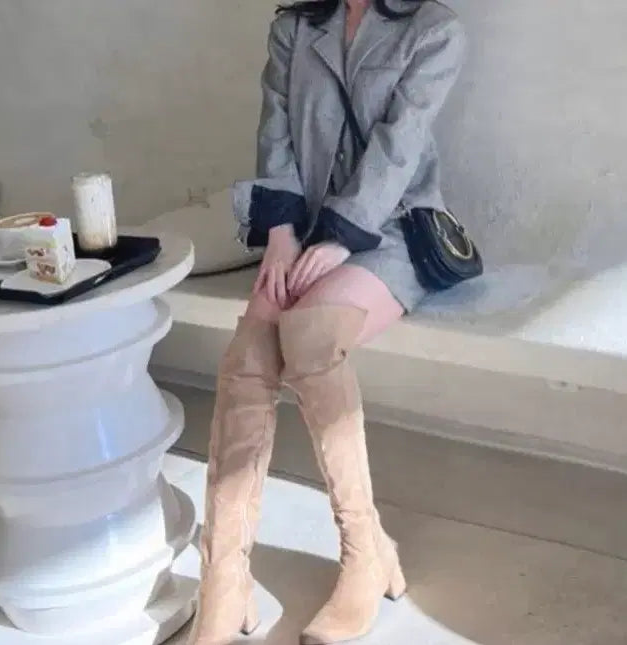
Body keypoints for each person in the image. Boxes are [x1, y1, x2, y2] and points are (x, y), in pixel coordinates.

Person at [188, 0, 465, 643]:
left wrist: (341, 238)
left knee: (309, 337)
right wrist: (282, 235)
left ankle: (364, 553)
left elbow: (399, 147)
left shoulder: (434, 31)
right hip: (307, 232)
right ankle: (223, 580)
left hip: (395, 230)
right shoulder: (296, 26)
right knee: (248, 359)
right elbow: (276, 135)